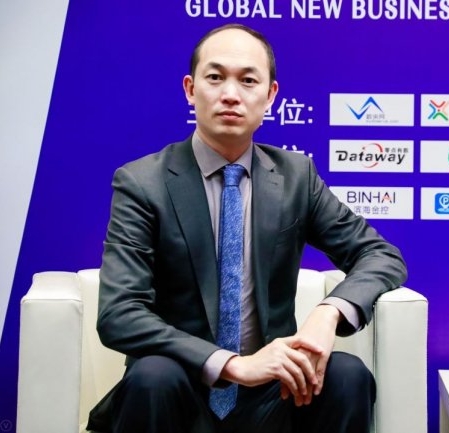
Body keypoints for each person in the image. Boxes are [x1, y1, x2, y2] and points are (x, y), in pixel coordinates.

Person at [88, 23, 407, 433]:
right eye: (215, 77)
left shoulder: (295, 176)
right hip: (180, 387)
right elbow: (119, 314)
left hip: (276, 394)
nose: (230, 94)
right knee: (152, 376)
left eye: (248, 80)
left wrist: (328, 313)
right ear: (190, 89)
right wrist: (232, 365)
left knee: (347, 375)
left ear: (270, 95)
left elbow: (380, 255)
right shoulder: (142, 182)